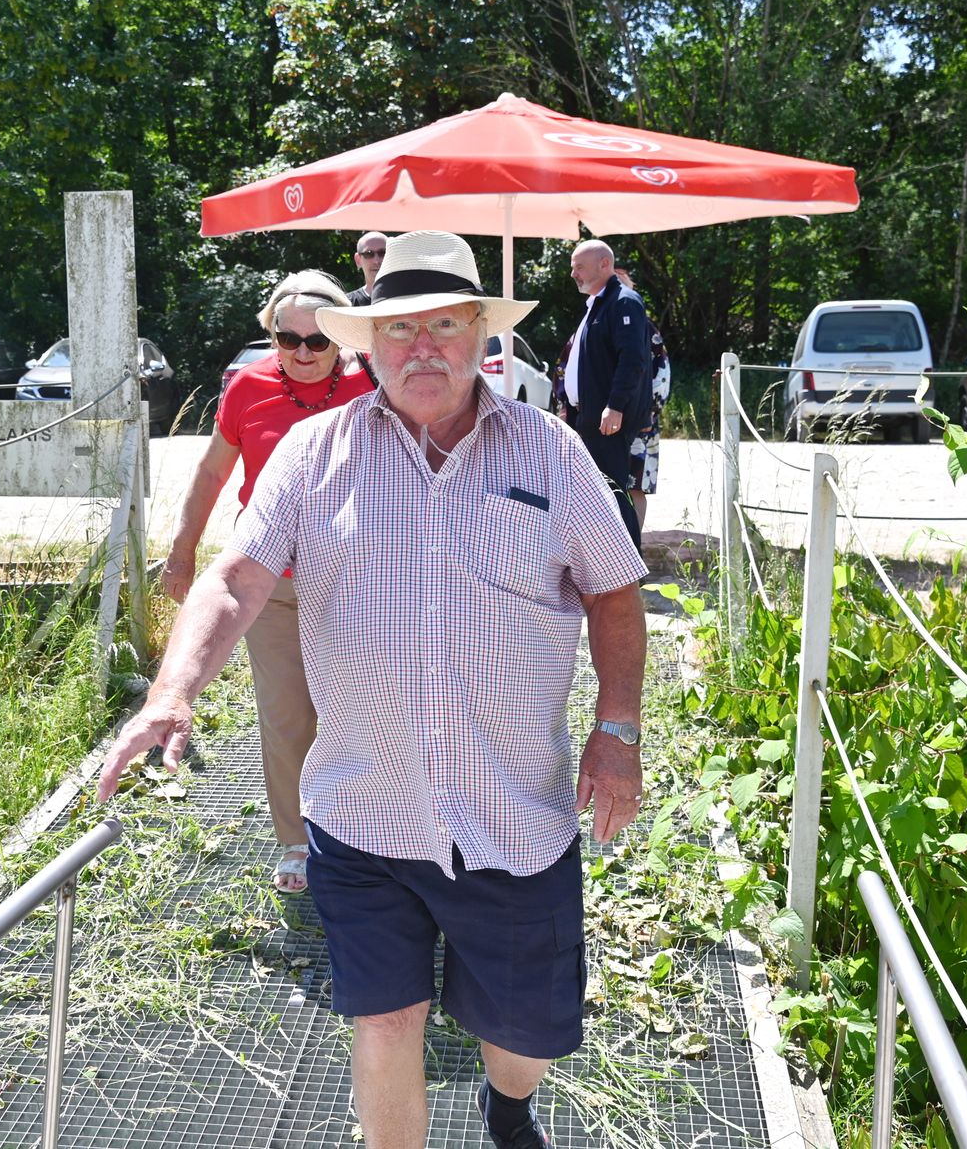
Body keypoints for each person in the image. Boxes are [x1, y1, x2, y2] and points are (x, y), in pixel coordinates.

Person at [99, 231, 648, 1149]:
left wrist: (617, 729)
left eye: (445, 324)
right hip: (364, 814)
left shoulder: (550, 451)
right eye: (399, 328)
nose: (422, 346)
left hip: (514, 811)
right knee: (386, 1021)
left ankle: (508, 1104)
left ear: (481, 333)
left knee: (521, 1038)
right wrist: (172, 690)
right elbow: (236, 579)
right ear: (370, 342)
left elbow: (616, 591)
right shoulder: (314, 453)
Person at [160, 270, 375, 894]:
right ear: (272, 336)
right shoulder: (248, 388)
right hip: (273, 582)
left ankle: (370, 830)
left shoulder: (373, 385)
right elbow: (211, 473)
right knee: (286, 716)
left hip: (361, 581)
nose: (303, 353)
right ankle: (297, 841)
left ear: (341, 336)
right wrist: (181, 553)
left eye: (318, 340)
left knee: (368, 710)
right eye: (288, 339)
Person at [548, 239, 653, 546]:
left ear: (604, 264)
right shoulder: (598, 303)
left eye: (579, 267)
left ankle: (628, 565)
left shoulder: (624, 302)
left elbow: (633, 359)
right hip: (588, 418)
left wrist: (615, 405)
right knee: (595, 494)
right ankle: (601, 560)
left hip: (608, 421)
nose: (573, 274)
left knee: (613, 491)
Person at [612, 262, 670, 529]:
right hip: (602, 422)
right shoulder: (594, 321)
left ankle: (633, 546)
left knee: (636, 488)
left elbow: (662, 375)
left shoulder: (646, 328)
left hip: (642, 421)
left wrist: (649, 413)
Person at [346, 231, 389, 306]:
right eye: (369, 254)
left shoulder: (407, 299)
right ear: (358, 260)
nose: (376, 261)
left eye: (382, 253)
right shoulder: (347, 304)